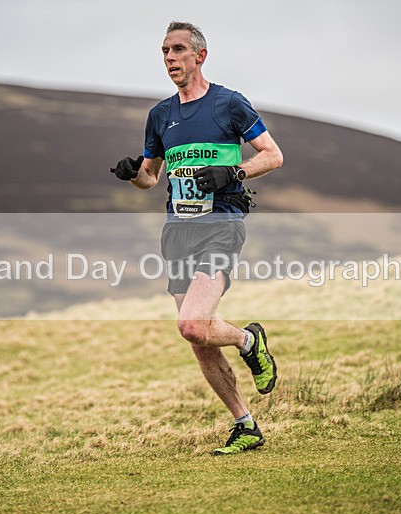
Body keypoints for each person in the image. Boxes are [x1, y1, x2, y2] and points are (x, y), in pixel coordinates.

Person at [112, 21, 283, 455]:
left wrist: (233, 172)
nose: (169, 58)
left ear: (200, 56)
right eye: (164, 51)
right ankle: (245, 424)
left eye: (177, 50)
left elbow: (273, 155)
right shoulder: (160, 115)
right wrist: (132, 173)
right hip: (177, 232)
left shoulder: (229, 103)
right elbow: (151, 177)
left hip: (221, 225)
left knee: (191, 323)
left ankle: (248, 341)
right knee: (197, 338)